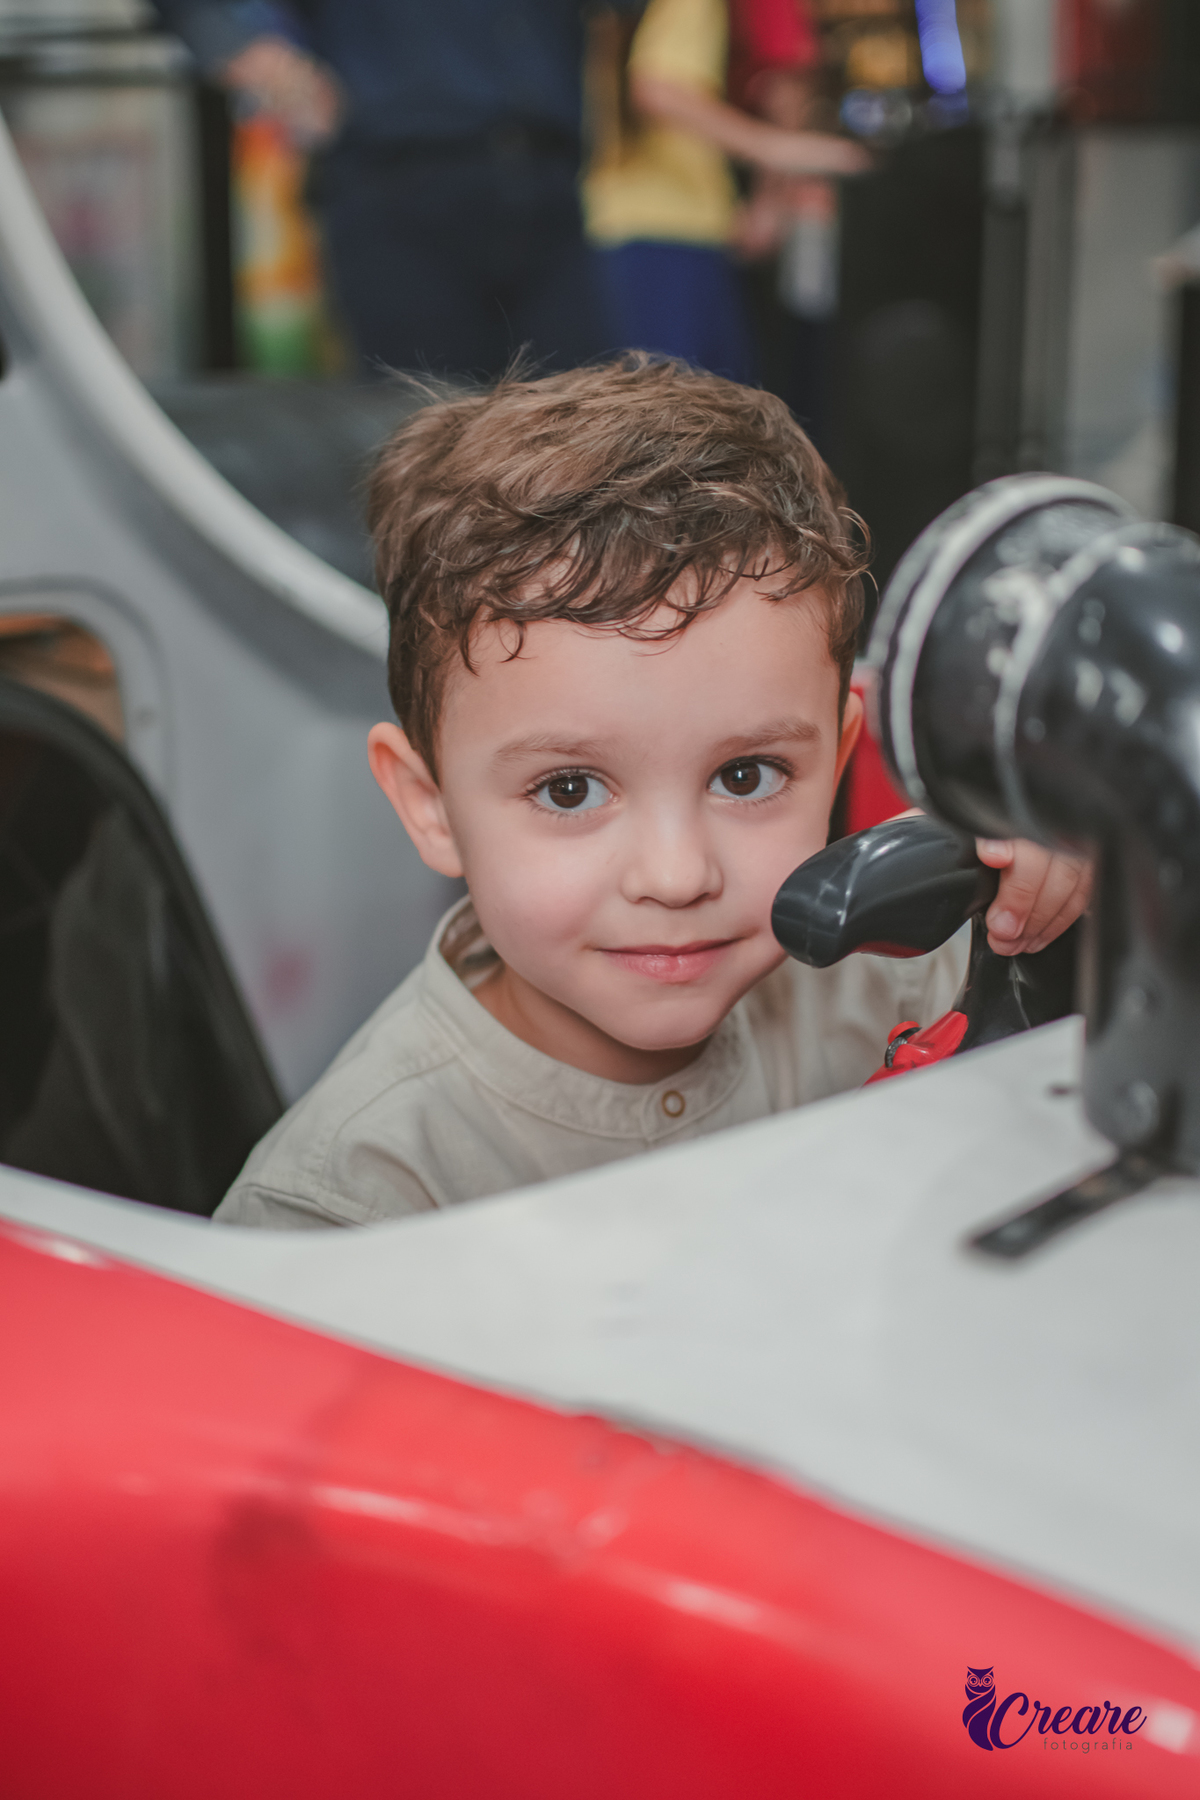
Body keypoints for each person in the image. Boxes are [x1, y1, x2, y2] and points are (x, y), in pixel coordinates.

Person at [215, 358, 1091, 1229]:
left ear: (838, 758)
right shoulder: (338, 1215)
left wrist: (1061, 909)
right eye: (568, 790)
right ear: (429, 804)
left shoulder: (908, 982)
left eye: (746, 777)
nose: (676, 877)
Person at [154, 1, 643, 377]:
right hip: (398, 187)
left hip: (550, 189)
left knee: (582, 444)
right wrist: (265, 60)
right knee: (429, 447)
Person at [583, 0, 863, 381]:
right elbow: (657, 88)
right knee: (691, 413)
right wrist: (774, 150)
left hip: (614, 219)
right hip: (673, 227)